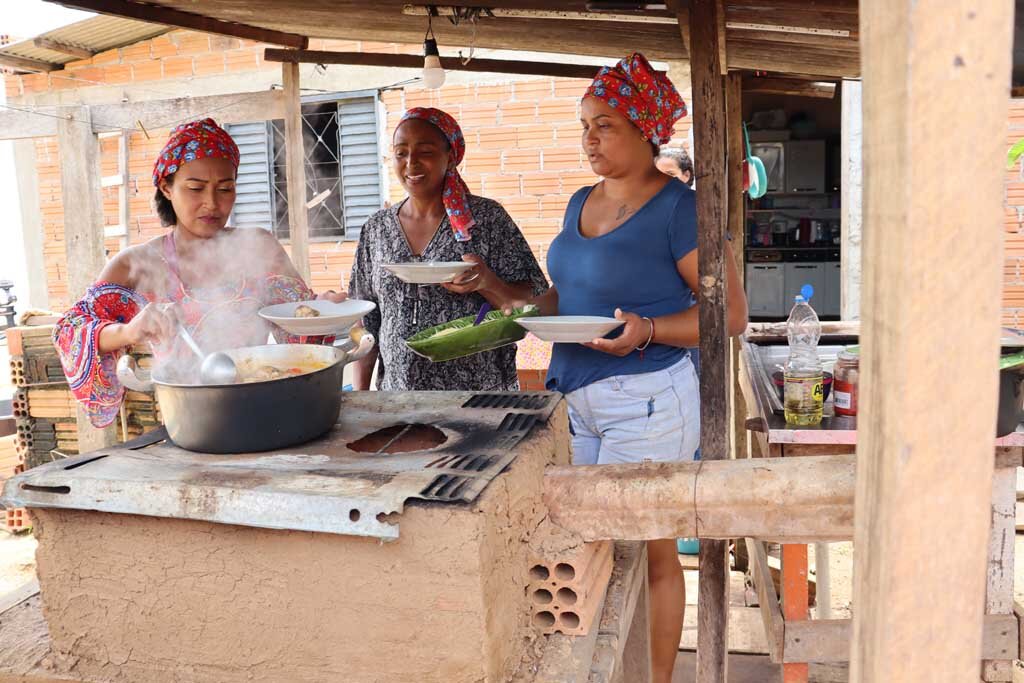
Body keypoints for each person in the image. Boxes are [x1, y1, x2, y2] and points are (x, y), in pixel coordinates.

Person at [519, 54, 748, 683]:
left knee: (644, 552)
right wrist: (514, 304)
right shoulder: (579, 200)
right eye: (585, 124)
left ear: (646, 131)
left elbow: (728, 316)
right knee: (585, 549)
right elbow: (565, 295)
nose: (589, 138)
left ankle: (653, 678)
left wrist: (648, 329)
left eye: (606, 125)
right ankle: (602, 671)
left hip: (647, 397)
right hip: (574, 395)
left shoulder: (681, 208)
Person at [54, 118, 345, 427]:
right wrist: (129, 331)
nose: (212, 203)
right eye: (195, 188)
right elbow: (70, 332)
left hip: (267, 406)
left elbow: (302, 332)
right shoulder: (136, 263)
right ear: (167, 187)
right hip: (188, 418)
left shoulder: (259, 247)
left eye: (225, 188)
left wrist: (324, 310)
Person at [348, 107, 548, 391]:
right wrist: (362, 397)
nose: (411, 163)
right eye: (401, 152)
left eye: (425, 152)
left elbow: (536, 298)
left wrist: (487, 282)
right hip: (398, 397)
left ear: (451, 156)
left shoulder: (486, 219)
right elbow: (366, 323)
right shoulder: (376, 229)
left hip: (478, 394)